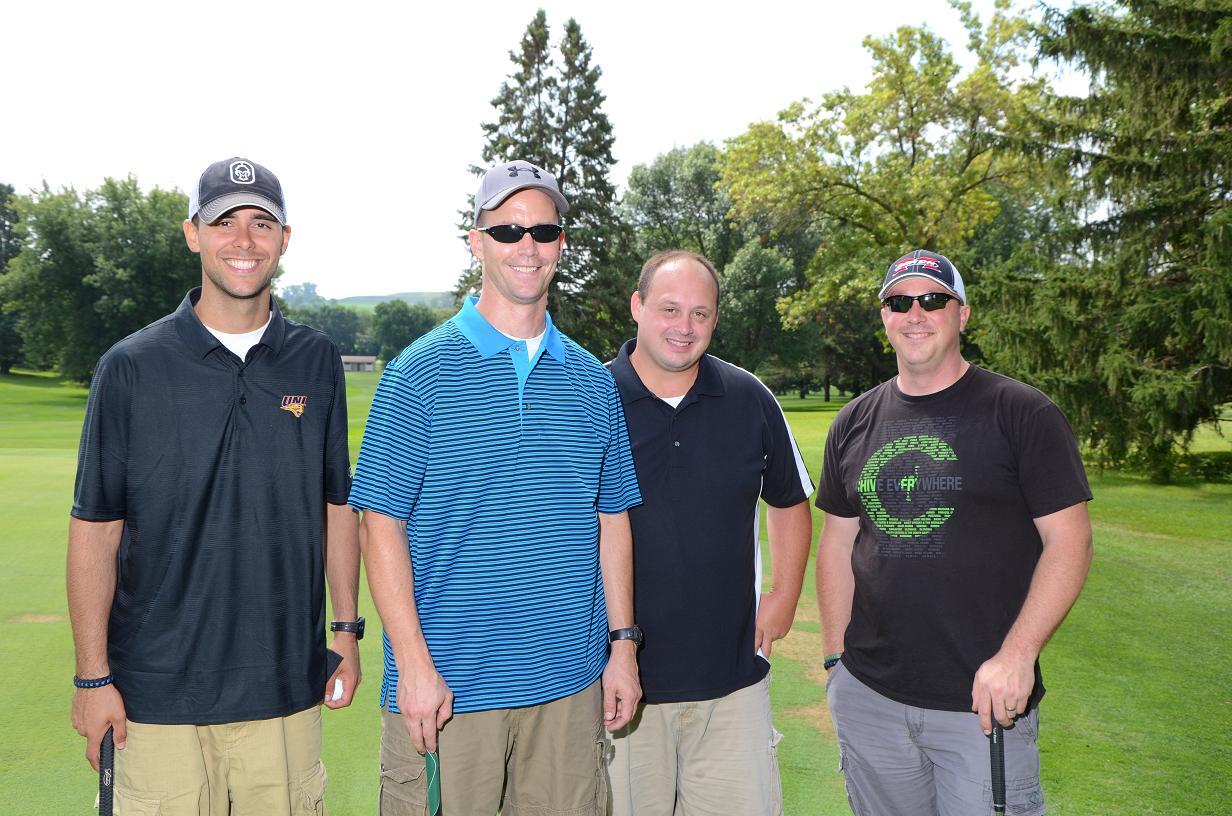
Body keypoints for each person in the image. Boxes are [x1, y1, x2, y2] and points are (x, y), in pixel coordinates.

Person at [67, 156, 362, 815]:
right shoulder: (129, 368)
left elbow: (337, 504)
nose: (244, 240)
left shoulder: (315, 361)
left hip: (283, 688)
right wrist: (92, 676)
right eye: (224, 221)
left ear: (285, 240)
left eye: (263, 223)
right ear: (192, 233)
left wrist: (345, 632)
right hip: (154, 697)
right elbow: (95, 528)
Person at [348, 160, 643, 815]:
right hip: (448, 692)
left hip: (567, 689)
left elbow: (611, 519)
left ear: (562, 245)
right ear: (476, 242)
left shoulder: (593, 384)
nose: (527, 246)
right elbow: (380, 523)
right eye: (507, 231)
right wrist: (414, 667)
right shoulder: (417, 374)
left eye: (543, 230)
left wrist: (622, 648)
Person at [815, 250, 1093, 816]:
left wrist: (1018, 656)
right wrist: (835, 662)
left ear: (961, 315)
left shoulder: (1021, 412)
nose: (915, 313)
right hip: (870, 698)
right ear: (885, 318)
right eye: (899, 302)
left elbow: (1071, 542)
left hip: (982, 705)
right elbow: (839, 543)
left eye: (933, 299)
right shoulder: (854, 420)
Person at [606, 250, 814, 815]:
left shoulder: (749, 398)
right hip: (619, 684)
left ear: (715, 321)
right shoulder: (593, 400)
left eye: (701, 314)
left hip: (731, 683)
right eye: (670, 308)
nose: (685, 326)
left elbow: (791, 501)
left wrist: (782, 597)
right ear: (638, 306)